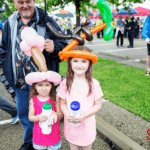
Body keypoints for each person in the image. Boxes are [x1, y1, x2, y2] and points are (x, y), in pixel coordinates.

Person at [0, 0, 68, 149]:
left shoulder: (46, 20)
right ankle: (31, 142)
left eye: (28, 1)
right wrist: (7, 70)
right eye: (20, 2)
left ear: (34, 1)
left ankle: (50, 142)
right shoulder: (10, 22)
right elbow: (4, 49)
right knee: (25, 114)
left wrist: (55, 47)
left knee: (48, 115)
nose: (25, 5)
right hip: (20, 81)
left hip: (44, 84)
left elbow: (64, 44)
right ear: (14, 2)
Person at [57, 45, 103, 150]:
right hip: (71, 126)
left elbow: (98, 104)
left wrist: (84, 115)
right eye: (75, 61)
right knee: (73, 146)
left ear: (89, 64)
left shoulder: (94, 84)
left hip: (87, 126)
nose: (79, 65)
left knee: (87, 147)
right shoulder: (65, 83)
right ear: (69, 63)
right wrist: (66, 113)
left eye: (84, 61)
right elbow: (63, 103)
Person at [27, 71, 63, 150]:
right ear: (35, 86)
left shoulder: (55, 98)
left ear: (51, 86)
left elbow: (60, 115)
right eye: (40, 85)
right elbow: (30, 117)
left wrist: (55, 114)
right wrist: (38, 118)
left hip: (53, 134)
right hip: (40, 135)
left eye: (47, 85)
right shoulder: (33, 100)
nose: (44, 88)